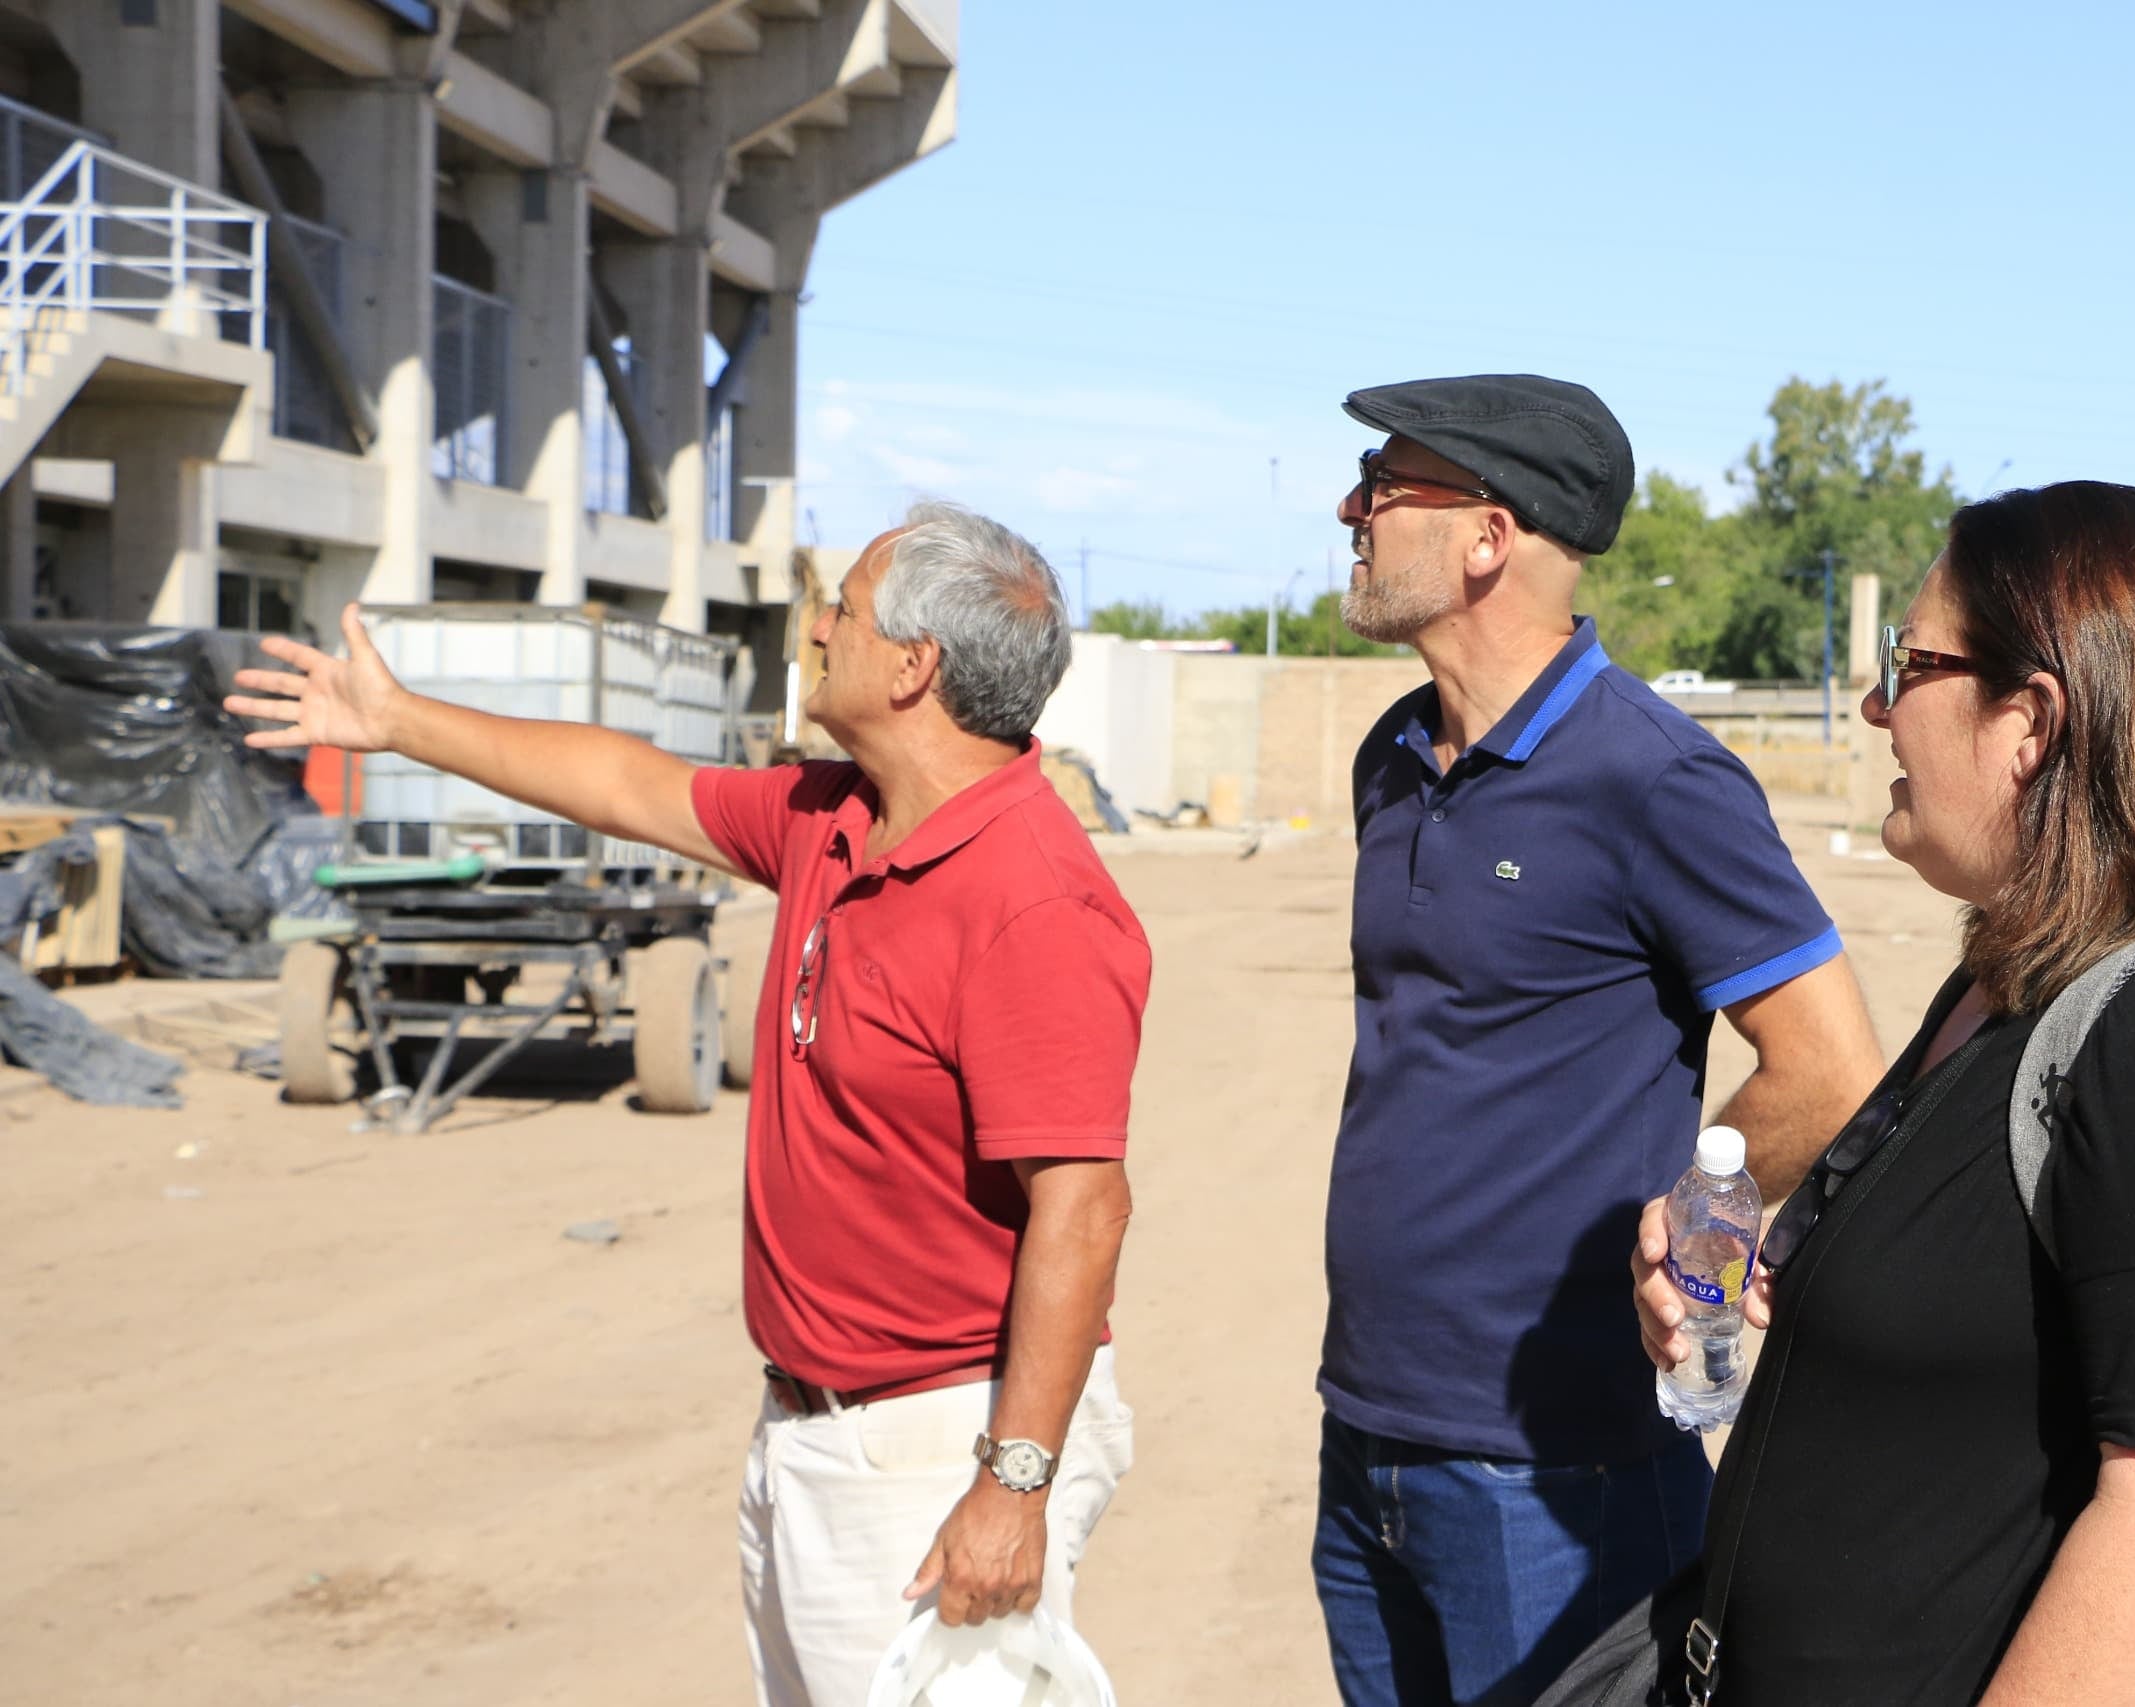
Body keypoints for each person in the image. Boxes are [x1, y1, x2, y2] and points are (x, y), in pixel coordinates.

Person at [227, 503, 1148, 1706]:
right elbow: (631, 785)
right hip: (812, 1423)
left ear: (914, 666)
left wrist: (1012, 1486)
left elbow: (1082, 1213)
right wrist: (399, 723)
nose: (817, 631)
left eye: (845, 613)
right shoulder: (835, 816)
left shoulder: (1032, 903)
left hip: (936, 1445)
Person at [1632, 480, 2135, 1705]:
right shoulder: (2010, 986)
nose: (1876, 704)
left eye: (1907, 664)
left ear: (2029, 720)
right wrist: (1727, 1269)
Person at [1314, 374, 1885, 1707]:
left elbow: (1832, 1063)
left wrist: (1696, 1207)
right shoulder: (1391, 759)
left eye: (1385, 486)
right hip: (1370, 1431)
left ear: (1488, 536)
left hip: (1557, 1470)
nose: (1352, 509)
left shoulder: (1656, 777)